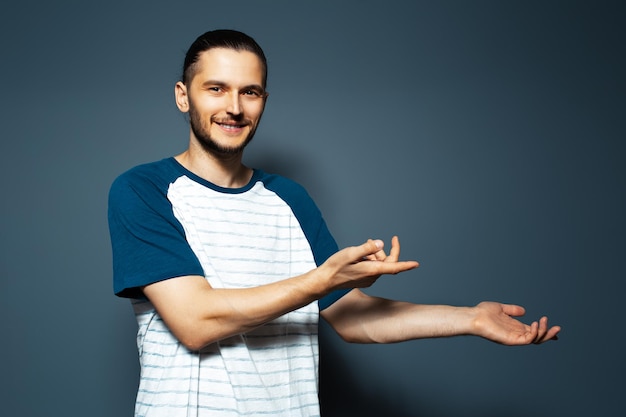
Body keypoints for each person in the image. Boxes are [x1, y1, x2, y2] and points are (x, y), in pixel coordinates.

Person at [108, 29, 560, 417]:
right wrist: (320, 281)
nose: (235, 107)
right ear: (183, 96)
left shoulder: (288, 197)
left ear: (263, 100)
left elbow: (351, 316)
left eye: (250, 91)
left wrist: (471, 319)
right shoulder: (144, 189)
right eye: (216, 88)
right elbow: (195, 321)